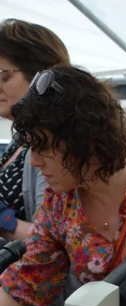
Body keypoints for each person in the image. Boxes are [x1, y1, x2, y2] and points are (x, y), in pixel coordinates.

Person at [0, 65, 126, 306]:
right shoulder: (59, 204)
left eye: (42, 147)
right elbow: (27, 280)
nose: (34, 162)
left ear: (84, 139)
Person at [0, 18, 70, 242]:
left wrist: (4, 220)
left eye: (4, 76)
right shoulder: (21, 139)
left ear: (41, 75)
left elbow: (54, 239)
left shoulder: (55, 142)